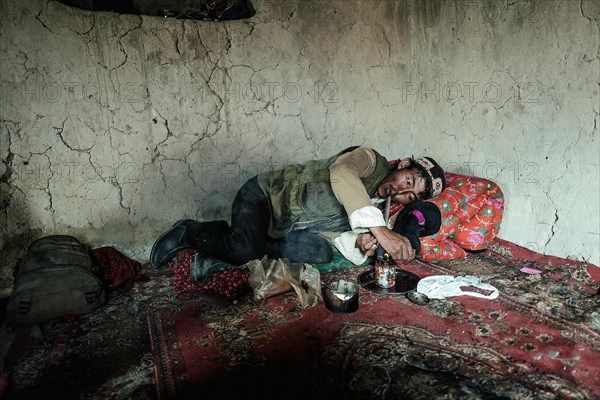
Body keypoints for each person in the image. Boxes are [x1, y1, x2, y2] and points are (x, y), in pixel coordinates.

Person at [149, 145, 446, 282]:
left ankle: (223, 249)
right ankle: (188, 231)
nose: (401, 191)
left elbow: (332, 231)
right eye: (407, 180)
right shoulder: (369, 160)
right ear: (403, 164)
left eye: (411, 195)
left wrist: (359, 241)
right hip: (263, 196)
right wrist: (381, 231)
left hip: (284, 227)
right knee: (242, 250)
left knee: (318, 252)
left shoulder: (377, 206)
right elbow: (341, 174)